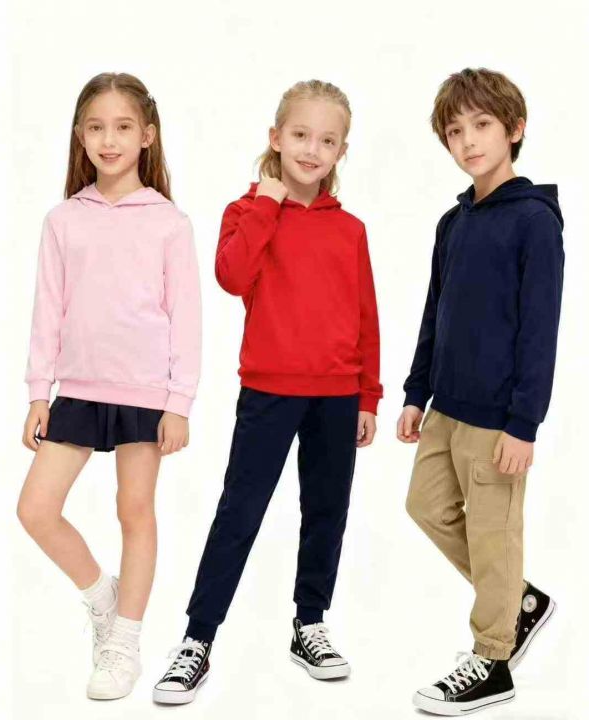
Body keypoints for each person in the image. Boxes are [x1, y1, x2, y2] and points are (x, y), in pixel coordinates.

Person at [153, 79, 382, 705]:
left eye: (327, 141)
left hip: (337, 394)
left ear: (341, 151)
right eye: (300, 135)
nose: (312, 149)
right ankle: (198, 639)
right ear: (275, 138)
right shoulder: (247, 212)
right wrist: (267, 201)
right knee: (240, 512)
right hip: (270, 390)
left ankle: (310, 623)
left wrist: (368, 395)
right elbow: (232, 276)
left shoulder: (350, 230)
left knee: (327, 511)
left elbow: (366, 314)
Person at [17, 72, 201, 701]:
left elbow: (186, 319)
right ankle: (103, 598)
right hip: (77, 389)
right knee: (35, 509)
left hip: (145, 393)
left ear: (147, 135)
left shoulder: (169, 223)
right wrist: (38, 391)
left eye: (123, 127)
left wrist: (179, 403)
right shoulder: (63, 220)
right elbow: (48, 309)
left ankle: (124, 640)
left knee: (134, 510)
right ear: (80, 135)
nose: (109, 139)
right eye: (96, 127)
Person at [397, 68, 563, 715]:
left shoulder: (534, 222)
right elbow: (433, 311)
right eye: (454, 131)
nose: (467, 140)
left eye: (482, 125)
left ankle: (493, 659)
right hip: (446, 407)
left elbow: (539, 330)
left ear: (513, 129)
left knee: (494, 534)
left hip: (498, 417)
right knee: (424, 505)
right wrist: (416, 392)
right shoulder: (452, 223)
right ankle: (519, 599)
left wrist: (524, 423)